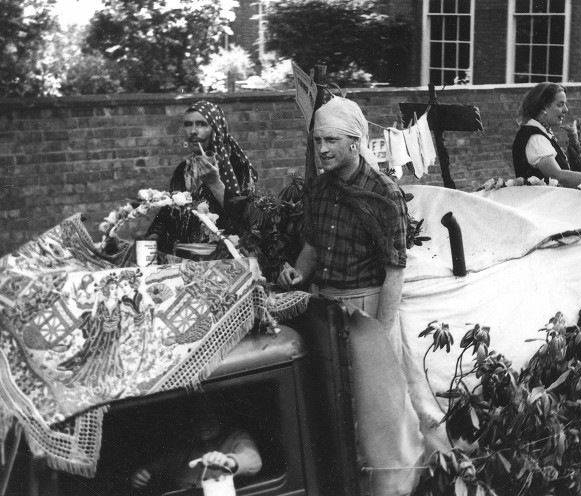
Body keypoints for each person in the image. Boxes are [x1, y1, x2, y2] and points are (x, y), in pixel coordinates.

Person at [277, 96, 424, 495]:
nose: (321, 149)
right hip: (323, 306)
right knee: (332, 408)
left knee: (378, 414)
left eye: (330, 141)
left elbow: (395, 271)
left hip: (364, 311)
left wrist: (381, 332)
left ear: (355, 143)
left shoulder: (383, 194)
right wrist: (297, 271)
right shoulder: (319, 190)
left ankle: (393, 489)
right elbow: (312, 246)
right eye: (317, 141)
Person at [145, 101, 258, 254]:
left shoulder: (237, 166)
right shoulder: (183, 169)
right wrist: (154, 235)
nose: (193, 131)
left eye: (201, 124)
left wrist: (215, 183)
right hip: (185, 257)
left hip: (224, 257)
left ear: (216, 130)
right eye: (187, 124)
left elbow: (247, 217)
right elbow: (169, 211)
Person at [130, 400, 262, 492]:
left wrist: (229, 462)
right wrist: (142, 475)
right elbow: (155, 467)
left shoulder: (236, 437)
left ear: (222, 416)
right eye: (197, 416)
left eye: (211, 415)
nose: (203, 422)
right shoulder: (185, 446)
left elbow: (253, 459)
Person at [511, 82, 581, 188]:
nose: (566, 110)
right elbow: (556, 175)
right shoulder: (535, 138)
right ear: (544, 107)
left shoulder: (541, 132)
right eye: (560, 105)